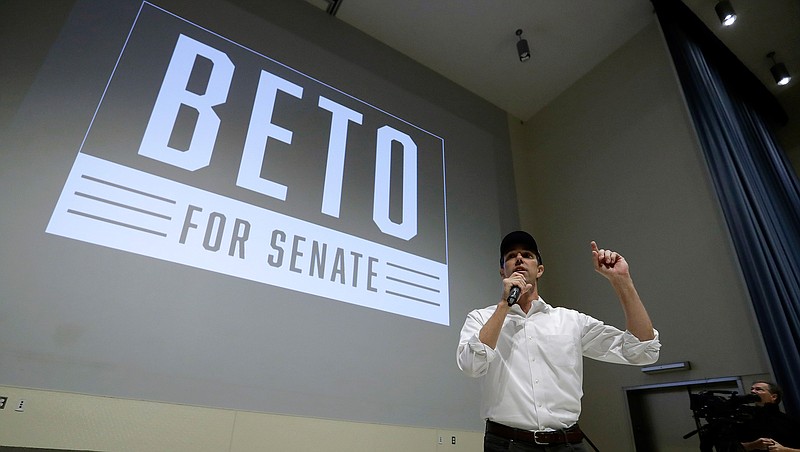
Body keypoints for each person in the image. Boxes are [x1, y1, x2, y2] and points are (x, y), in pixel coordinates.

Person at [456, 231, 661, 451]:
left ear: (540, 270)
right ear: (502, 271)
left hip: (567, 444)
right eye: (510, 256)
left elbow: (642, 351)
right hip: (506, 443)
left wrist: (622, 282)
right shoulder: (481, 318)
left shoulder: (571, 321)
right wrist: (504, 305)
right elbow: (471, 366)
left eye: (527, 254)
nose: (519, 259)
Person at [739, 381, 800, 452]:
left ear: (774, 397)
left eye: (758, 389)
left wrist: (785, 450)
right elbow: (730, 447)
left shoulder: (789, 421)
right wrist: (752, 445)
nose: (753, 391)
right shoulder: (744, 419)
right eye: (752, 389)